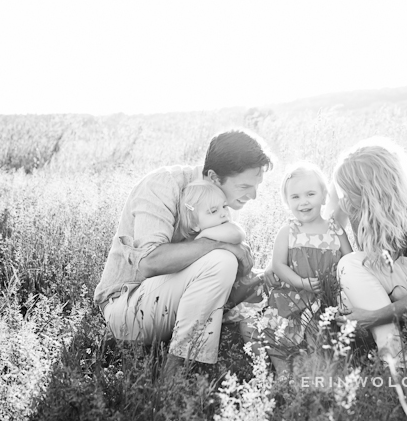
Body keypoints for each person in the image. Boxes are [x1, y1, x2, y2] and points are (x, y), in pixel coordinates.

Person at [93, 129, 272, 375]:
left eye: (256, 186)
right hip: (127, 307)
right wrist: (219, 245)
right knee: (221, 261)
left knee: (272, 280)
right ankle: (176, 377)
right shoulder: (164, 184)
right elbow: (149, 262)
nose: (253, 195)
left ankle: (274, 372)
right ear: (213, 176)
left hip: (169, 302)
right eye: (244, 186)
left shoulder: (220, 199)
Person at [326, 137, 407, 365]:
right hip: (389, 276)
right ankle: (387, 340)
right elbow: (330, 228)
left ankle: (396, 359)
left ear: (371, 190)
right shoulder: (354, 200)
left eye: (350, 191)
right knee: (342, 298)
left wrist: (371, 317)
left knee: (350, 269)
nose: (345, 197)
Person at [242, 162, 352, 374]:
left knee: (319, 336)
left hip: (325, 297)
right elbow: (279, 265)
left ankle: (315, 372)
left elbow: (349, 260)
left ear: (324, 196)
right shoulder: (288, 231)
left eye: (310, 194)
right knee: (275, 330)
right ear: (287, 202)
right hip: (292, 294)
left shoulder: (334, 229)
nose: (303, 202)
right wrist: (300, 282)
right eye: (295, 197)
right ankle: (282, 371)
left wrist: (339, 287)